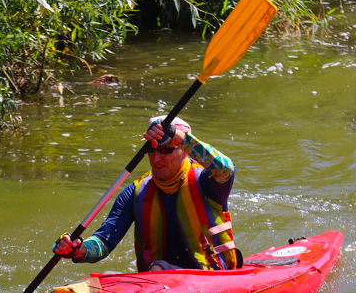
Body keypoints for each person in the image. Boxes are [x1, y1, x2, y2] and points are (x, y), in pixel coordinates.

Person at [53, 116, 241, 271]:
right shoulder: (134, 193)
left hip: (212, 279)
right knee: (114, 273)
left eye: (166, 150)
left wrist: (180, 137)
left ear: (185, 152)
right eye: (152, 150)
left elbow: (227, 169)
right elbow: (104, 241)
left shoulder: (207, 182)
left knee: (159, 267)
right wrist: (79, 249)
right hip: (157, 282)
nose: (157, 158)